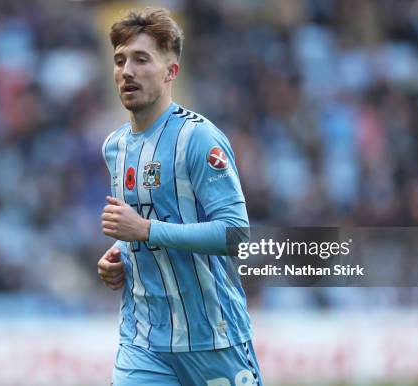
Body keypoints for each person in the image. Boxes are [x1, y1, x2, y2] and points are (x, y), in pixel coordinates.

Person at [97, 7, 262, 386]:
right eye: (120, 60)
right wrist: (118, 258)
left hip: (214, 339)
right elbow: (138, 228)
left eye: (141, 60)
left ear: (171, 71)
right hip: (143, 343)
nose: (127, 71)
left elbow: (235, 235)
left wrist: (146, 231)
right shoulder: (114, 147)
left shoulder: (198, 139)